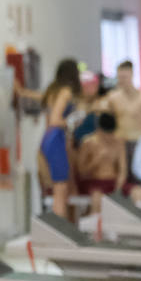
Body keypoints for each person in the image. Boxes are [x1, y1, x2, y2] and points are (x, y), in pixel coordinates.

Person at [38, 59, 83, 217]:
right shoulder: (65, 92)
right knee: (60, 188)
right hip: (55, 138)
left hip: (48, 138)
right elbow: (55, 120)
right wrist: (73, 120)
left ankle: (60, 225)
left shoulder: (53, 90)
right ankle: (60, 229)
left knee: (60, 187)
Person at [104, 60, 141, 183]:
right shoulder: (112, 98)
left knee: (138, 179)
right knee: (120, 178)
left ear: (131, 75)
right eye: (119, 77)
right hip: (120, 142)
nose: (122, 80)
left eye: (124, 77)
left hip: (138, 142)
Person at [75, 112, 127, 212]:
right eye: (106, 134)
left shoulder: (119, 142)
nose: (109, 137)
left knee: (137, 192)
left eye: (111, 133)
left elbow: (123, 169)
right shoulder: (88, 142)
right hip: (94, 183)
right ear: (99, 130)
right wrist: (95, 161)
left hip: (113, 182)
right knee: (97, 197)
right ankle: (96, 226)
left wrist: (118, 188)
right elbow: (82, 172)